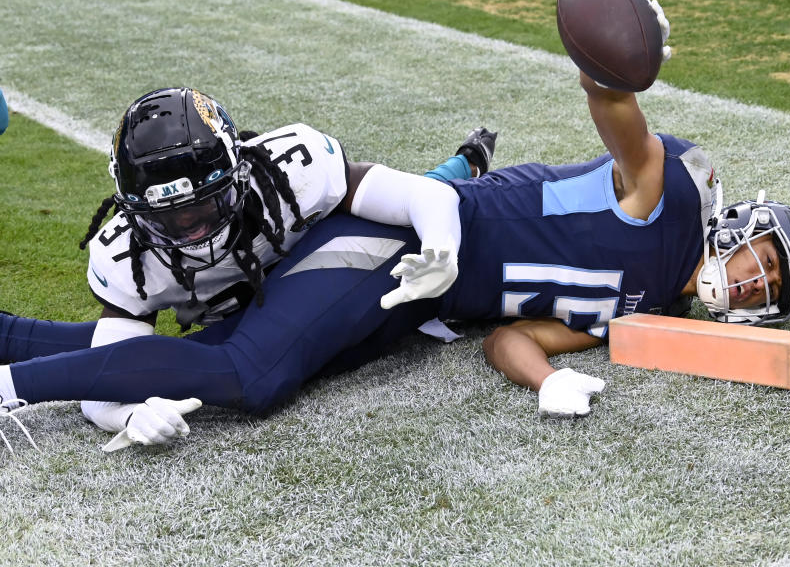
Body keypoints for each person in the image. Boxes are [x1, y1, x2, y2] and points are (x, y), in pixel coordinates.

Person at [0, 0, 790, 450]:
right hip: (407, 241)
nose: (749, 283)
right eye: (760, 259)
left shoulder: (647, 312)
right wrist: (618, 64)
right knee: (252, 374)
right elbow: (619, 116)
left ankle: (10, 335)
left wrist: (549, 381)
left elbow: (515, 337)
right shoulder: (665, 200)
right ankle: (14, 387)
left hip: (420, 299)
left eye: (767, 290)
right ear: (734, 223)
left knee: (220, 352)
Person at [0, 86, 495, 450]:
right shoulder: (124, 252)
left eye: (201, 207)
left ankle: (465, 163)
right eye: (168, 217)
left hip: (327, 261)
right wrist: (129, 414)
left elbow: (410, 195)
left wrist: (442, 245)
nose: (190, 228)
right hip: (243, 318)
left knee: (403, 211)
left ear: (238, 174)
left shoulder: (290, 169)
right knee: (180, 351)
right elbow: (106, 369)